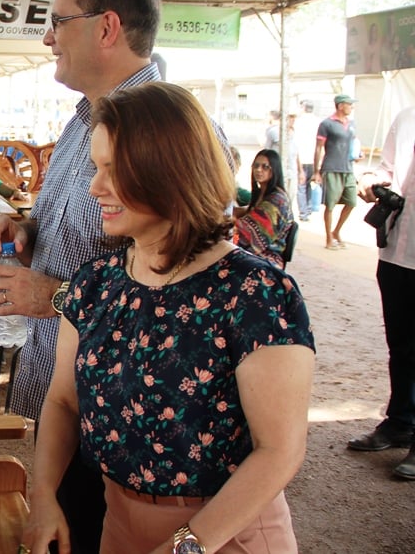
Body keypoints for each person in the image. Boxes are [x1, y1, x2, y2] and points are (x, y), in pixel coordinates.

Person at [0, 0, 233, 554]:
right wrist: (22, 227)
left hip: (126, 421)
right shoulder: (83, 119)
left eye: (58, 21)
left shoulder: (183, 133)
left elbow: (191, 298)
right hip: (68, 403)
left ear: (107, 27)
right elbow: (76, 227)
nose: (46, 37)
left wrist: (54, 296)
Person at [23, 82, 315, 554]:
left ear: (169, 171)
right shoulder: (95, 283)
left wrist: (188, 544)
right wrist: (42, 496)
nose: (95, 187)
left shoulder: (255, 293)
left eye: (112, 170)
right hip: (118, 522)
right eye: (97, 168)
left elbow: (279, 450)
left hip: (227, 534)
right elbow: (61, 403)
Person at [348, 105, 415, 478]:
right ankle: (399, 421)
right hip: (397, 252)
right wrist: (373, 181)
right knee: (401, 346)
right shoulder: (407, 117)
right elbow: (388, 170)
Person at [234, 149, 295, 268]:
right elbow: (250, 212)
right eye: (256, 166)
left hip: (267, 259)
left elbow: (249, 234)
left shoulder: (277, 200)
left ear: (274, 170)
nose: (258, 170)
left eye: (265, 167)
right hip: (256, 254)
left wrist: (223, 227)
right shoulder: (262, 194)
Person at [312, 94, 358, 250]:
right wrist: (316, 171)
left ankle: (336, 230)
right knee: (330, 205)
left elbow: (354, 142)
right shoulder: (327, 124)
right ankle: (328, 238)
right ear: (340, 106)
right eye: (349, 104)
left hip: (348, 168)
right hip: (331, 167)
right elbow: (318, 147)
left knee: (352, 202)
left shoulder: (352, 124)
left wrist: (358, 153)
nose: (351, 107)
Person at [264, 109, 303, 216]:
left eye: (294, 117)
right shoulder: (273, 132)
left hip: (292, 171)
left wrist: (301, 171)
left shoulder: (294, 133)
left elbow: (296, 153)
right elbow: (266, 151)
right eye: (290, 117)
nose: (292, 120)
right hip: (278, 171)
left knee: (290, 198)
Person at [294, 101, 320, 221]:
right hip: (314, 159)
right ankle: (309, 209)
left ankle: (303, 212)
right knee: (309, 184)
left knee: (301, 186)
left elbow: (296, 143)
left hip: (302, 158)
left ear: (303, 108)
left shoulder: (299, 122)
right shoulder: (317, 121)